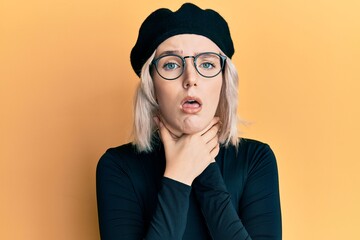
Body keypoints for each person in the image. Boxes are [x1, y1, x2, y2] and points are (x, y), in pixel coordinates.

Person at [96, 3, 282, 240]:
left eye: (207, 64)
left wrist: (204, 166)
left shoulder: (256, 159)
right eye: (171, 64)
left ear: (224, 81)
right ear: (151, 85)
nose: (191, 79)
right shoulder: (118, 167)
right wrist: (178, 176)